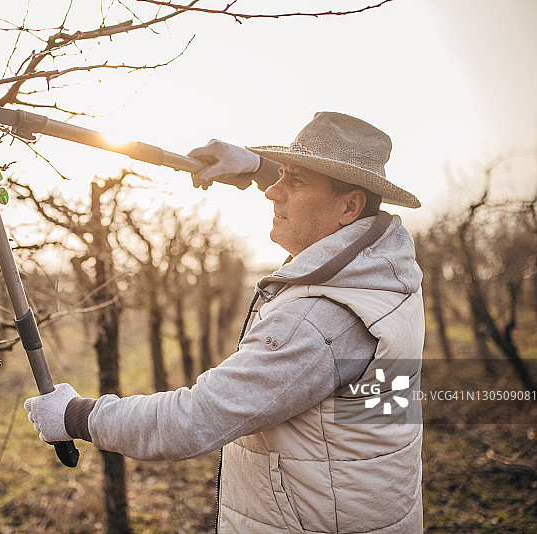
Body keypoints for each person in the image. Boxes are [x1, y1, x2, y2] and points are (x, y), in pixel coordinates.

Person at [25, 111, 425, 533]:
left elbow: (194, 419)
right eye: (281, 174)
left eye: (296, 182)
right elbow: (318, 195)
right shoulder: (385, 274)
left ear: (349, 206)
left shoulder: (319, 322)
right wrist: (254, 166)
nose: (274, 192)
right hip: (370, 506)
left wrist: (75, 416)